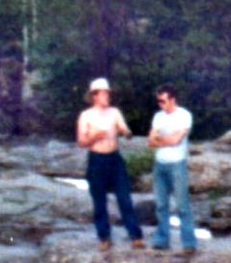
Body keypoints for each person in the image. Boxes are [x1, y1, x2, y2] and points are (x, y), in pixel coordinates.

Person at [75, 78, 144, 252]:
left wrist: (126, 132)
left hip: (115, 158)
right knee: (99, 200)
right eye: (104, 93)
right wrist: (95, 137)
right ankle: (104, 237)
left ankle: (135, 235)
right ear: (95, 95)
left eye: (108, 93)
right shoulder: (86, 115)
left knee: (124, 197)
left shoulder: (114, 112)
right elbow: (81, 142)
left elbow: (124, 128)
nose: (107, 96)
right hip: (97, 160)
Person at [148, 83, 198, 253]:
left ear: (172, 99)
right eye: (158, 101)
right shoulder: (158, 117)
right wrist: (165, 139)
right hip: (159, 164)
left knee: (182, 205)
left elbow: (176, 140)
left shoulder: (184, 115)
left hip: (177, 164)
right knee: (161, 205)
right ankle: (162, 240)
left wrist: (161, 139)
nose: (160, 104)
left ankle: (189, 243)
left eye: (162, 101)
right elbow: (150, 141)